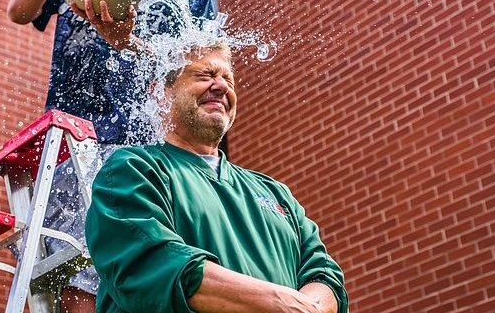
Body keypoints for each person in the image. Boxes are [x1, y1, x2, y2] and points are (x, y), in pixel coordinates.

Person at [6, 0, 214, 311]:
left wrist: (128, 45)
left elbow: (198, 66)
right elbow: (20, 9)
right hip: (77, 142)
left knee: (154, 264)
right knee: (80, 264)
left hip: (152, 144)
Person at [85, 42, 349, 313]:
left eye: (228, 80)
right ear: (161, 96)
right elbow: (151, 265)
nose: (222, 86)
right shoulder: (134, 170)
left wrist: (310, 308)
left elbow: (324, 274)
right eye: (204, 75)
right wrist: (276, 303)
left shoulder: (275, 192)